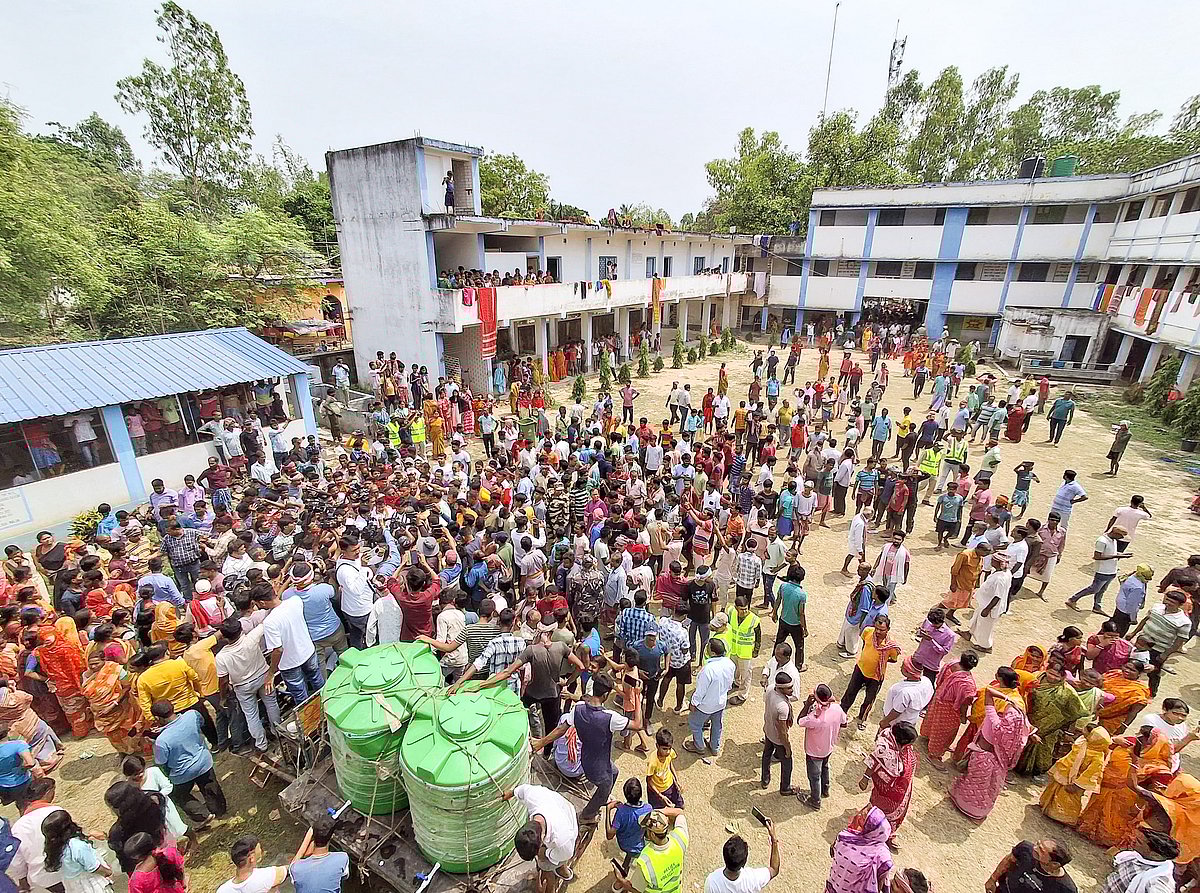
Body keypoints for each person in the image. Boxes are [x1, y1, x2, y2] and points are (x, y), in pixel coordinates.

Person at [532, 674, 642, 824]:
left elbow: (561, 729)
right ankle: (587, 815)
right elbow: (637, 724)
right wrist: (637, 697)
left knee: (615, 771)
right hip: (599, 767)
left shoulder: (578, 708)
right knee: (605, 787)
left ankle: (601, 800)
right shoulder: (610, 717)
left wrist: (540, 743)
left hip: (585, 760)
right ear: (605, 695)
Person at [949, 687, 1032, 821]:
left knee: (972, 782)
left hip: (981, 758)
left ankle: (963, 804)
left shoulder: (994, 721)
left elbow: (988, 691)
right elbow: (1026, 727)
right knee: (986, 789)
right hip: (997, 765)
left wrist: (1007, 699)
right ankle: (978, 811)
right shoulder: (1015, 737)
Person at [151, 699, 227, 828]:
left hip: (182, 774)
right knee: (209, 785)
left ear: (157, 718)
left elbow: (161, 761)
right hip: (203, 762)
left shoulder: (161, 741)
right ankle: (219, 810)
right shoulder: (192, 715)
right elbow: (201, 724)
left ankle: (202, 814)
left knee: (178, 795)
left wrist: (154, 741)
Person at [1015, 660, 1088, 777]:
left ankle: (1034, 771)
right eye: (1050, 673)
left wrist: (1066, 728)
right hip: (1028, 718)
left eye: (1056, 676)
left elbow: (1075, 711)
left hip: (1049, 727)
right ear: (1046, 670)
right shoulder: (1035, 677)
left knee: (1043, 749)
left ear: (1063, 676)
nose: (1052, 678)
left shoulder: (1067, 692)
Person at [506, 783, 578, 893]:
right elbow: (522, 790)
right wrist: (511, 793)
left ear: (541, 843)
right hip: (559, 807)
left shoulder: (562, 840)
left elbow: (567, 854)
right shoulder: (532, 796)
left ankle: (553, 884)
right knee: (553, 859)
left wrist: (544, 854)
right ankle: (564, 872)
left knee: (545, 865)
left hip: (568, 820)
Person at [858, 722, 917, 850]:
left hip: (902, 790)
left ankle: (888, 834)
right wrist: (865, 778)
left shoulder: (904, 748)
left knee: (894, 816)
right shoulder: (884, 748)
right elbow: (874, 761)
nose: (911, 747)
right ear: (901, 741)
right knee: (879, 812)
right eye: (910, 743)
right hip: (885, 791)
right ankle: (872, 832)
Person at [1039, 726, 1111, 825]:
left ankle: (1064, 818)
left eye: (1086, 731)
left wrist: (1077, 785)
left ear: (1094, 737)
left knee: (1068, 798)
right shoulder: (1083, 742)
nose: (1083, 731)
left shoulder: (1097, 757)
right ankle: (1048, 807)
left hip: (1076, 781)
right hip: (1065, 773)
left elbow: (1090, 774)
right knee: (1055, 789)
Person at [840, 616, 900, 731]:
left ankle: (862, 718)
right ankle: (841, 713)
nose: (878, 632)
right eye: (876, 628)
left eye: (882, 630)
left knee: (869, 699)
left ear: (888, 629)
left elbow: (893, 659)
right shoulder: (868, 631)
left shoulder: (891, 645)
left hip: (876, 677)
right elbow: (864, 644)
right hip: (860, 669)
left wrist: (879, 660)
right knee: (850, 692)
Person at [920, 650, 979, 765]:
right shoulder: (967, 683)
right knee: (945, 730)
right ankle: (934, 754)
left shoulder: (951, 664)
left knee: (933, 719)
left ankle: (929, 738)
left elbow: (940, 679)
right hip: (950, 707)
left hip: (940, 696)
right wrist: (963, 716)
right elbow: (965, 702)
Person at [794, 684, 845, 809]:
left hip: (814, 752)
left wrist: (807, 705)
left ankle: (815, 800)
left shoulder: (814, 718)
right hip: (829, 747)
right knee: (825, 767)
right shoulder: (837, 708)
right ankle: (825, 790)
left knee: (814, 776)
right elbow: (844, 723)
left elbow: (799, 721)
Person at [824, 806, 893, 893]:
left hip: (835, 886)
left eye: (863, 818)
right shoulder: (882, 855)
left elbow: (833, 853)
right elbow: (881, 882)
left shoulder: (845, 837)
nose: (859, 817)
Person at [685, 637, 735, 756]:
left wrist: (693, 703)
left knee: (695, 724)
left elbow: (701, 691)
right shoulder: (730, 664)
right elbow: (729, 684)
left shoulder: (708, 670)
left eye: (707, 647)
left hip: (705, 705)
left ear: (712, 652)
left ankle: (699, 746)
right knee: (717, 725)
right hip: (721, 702)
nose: (705, 649)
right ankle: (714, 747)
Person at [1066, 525, 1131, 614]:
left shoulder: (1113, 540)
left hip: (1111, 570)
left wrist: (1121, 555)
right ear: (1115, 533)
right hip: (1102, 570)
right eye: (1121, 536)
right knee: (1094, 589)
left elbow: (1110, 552)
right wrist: (1117, 556)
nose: (1122, 538)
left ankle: (1097, 606)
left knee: (1102, 590)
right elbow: (1097, 556)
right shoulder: (1102, 541)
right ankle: (1072, 599)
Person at [703, 819, 779, 893]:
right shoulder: (752, 879)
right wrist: (774, 839)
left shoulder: (712, 882)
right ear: (744, 862)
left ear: (724, 856)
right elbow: (774, 869)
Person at [621, 809, 688, 893]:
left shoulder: (645, 862)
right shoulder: (680, 838)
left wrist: (621, 880)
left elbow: (636, 890)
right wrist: (660, 814)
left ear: (652, 834)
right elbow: (679, 813)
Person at [1097, 829, 1179, 893]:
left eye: (1139, 842)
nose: (1133, 840)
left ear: (1155, 855)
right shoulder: (1134, 857)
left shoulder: (1157, 883)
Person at [984, 840, 1076, 893]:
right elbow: (1008, 860)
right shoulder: (1026, 849)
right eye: (1038, 844)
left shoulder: (1065, 889)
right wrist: (992, 879)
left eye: (1041, 850)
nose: (1035, 848)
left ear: (1054, 864)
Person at [289, 816, 349, 893]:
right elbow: (344, 876)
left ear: (312, 838)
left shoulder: (296, 868)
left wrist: (307, 837)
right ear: (330, 838)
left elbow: (294, 863)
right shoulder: (342, 858)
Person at [607, 778, 652, 873]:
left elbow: (609, 835)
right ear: (640, 794)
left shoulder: (621, 813)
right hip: (639, 844)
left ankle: (625, 868)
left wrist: (608, 809)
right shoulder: (648, 808)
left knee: (629, 853)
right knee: (637, 856)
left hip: (624, 844)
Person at [760, 672, 794, 794]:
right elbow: (782, 731)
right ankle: (785, 788)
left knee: (767, 754)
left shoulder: (770, 689)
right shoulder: (783, 707)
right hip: (777, 738)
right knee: (787, 763)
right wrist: (787, 747)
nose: (792, 690)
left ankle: (765, 779)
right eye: (788, 688)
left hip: (768, 730)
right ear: (780, 688)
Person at [215, 836, 288, 893]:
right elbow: (292, 868)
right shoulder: (265, 875)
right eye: (260, 849)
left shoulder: (222, 890)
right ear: (251, 858)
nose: (262, 851)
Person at [878, 657, 932, 732]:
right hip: (911, 721)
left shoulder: (905, 692)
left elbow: (896, 711)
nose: (900, 667)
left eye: (902, 666)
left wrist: (884, 722)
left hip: (895, 723)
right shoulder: (926, 681)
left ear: (908, 672)